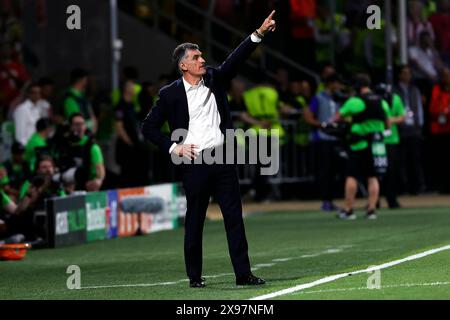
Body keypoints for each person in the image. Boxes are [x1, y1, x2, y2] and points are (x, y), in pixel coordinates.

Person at [141, 10, 278, 288]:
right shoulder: (170, 94)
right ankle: (194, 277)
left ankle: (243, 274)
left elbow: (235, 60)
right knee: (195, 221)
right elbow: (148, 128)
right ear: (183, 66)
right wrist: (174, 148)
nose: (202, 60)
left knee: (234, 219)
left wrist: (258, 34)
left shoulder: (215, 78)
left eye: (202, 56)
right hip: (194, 163)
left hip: (223, 159)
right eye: (196, 58)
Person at [332, 74, 390, 220]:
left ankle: (348, 210)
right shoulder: (381, 101)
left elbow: (337, 117)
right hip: (376, 144)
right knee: (372, 176)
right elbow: (387, 123)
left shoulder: (355, 101)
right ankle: (371, 210)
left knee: (352, 175)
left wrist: (350, 120)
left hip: (359, 144)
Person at [304, 73, 343, 211]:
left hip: (335, 138)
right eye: (337, 83)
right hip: (322, 139)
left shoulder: (338, 98)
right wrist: (320, 125)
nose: (339, 86)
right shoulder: (319, 98)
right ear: (331, 83)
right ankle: (326, 200)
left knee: (333, 171)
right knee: (325, 171)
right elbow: (307, 115)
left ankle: (331, 200)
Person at [394, 65, 426, 195]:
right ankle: (403, 187)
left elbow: (418, 107)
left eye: (409, 73)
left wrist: (419, 124)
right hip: (401, 129)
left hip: (414, 129)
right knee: (401, 160)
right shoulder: (395, 91)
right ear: (399, 75)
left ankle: (418, 187)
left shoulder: (414, 89)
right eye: (404, 73)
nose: (407, 76)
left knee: (415, 160)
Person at [57, 113, 105, 192]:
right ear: (70, 126)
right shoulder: (64, 145)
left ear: (85, 126)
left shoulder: (92, 146)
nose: (79, 127)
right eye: (76, 124)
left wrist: (98, 181)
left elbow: (100, 169)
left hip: (87, 186)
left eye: (82, 124)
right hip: (68, 186)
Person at [114, 80, 148, 187]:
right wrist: (129, 142)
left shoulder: (132, 105)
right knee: (127, 173)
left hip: (136, 145)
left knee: (137, 172)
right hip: (127, 147)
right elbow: (119, 128)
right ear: (126, 89)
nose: (134, 89)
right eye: (132, 86)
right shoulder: (120, 106)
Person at [63, 68, 97, 134]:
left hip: (88, 135)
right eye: (86, 80)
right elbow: (76, 123)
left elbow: (91, 115)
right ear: (80, 80)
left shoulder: (82, 96)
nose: (87, 82)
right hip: (80, 138)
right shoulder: (70, 99)